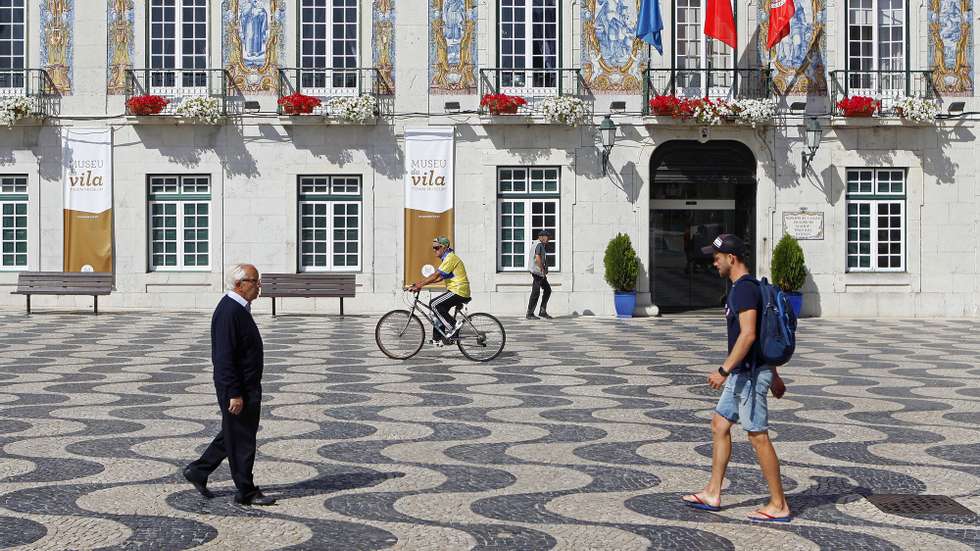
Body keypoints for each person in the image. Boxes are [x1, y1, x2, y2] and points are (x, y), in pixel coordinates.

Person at [682, 234, 791, 522]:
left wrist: (723, 370)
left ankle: (779, 504)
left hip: (749, 375)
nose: (713, 262)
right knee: (719, 424)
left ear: (732, 258)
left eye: (717, 257)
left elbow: (749, 335)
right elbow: (762, 337)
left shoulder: (743, 290)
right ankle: (713, 492)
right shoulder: (747, 288)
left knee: (757, 436)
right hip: (748, 372)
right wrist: (776, 375)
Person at [183, 263, 275, 506]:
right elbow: (223, 358)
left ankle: (199, 470)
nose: (259, 286)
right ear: (239, 284)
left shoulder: (237, 308)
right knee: (243, 440)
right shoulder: (229, 311)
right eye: (255, 281)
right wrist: (234, 393)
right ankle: (246, 491)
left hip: (245, 386)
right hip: (238, 389)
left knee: (234, 434)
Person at [409, 237, 471, 344]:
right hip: (455, 290)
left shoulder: (450, 258)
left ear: (444, 247)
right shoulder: (447, 258)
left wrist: (420, 286)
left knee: (433, 304)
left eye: (436, 247)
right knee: (436, 310)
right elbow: (439, 278)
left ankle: (453, 325)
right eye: (433, 248)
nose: (434, 250)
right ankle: (438, 338)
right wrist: (419, 284)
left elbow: (435, 276)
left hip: (459, 291)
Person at [526, 229, 552, 320]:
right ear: (542, 237)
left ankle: (542, 311)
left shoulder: (536, 244)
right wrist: (542, 269)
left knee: (547, 290)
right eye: (547, 237)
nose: (548, 239)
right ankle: (530, 313)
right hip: (538, 272)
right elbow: (537, 258)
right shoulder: (539, 245)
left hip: (537, 272)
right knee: (535, 292)